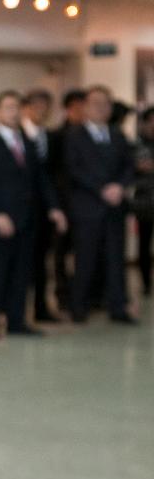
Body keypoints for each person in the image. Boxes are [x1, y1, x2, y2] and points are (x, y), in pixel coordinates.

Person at [0, 91, 67, 338]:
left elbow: (41, 179)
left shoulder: (26, 142)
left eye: (16, 107)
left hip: (28, 218)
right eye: (7, 107)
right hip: (2, 218)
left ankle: (17, 319)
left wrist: (54, 208)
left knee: (22, 271)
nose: (13, 112)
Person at [64, 85, 136, 324]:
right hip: (88, 207)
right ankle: (79, 306)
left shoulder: (117, 134)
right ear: (85, 106)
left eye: (105, 104)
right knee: (85, 259)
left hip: (115, 207)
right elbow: (74, 170)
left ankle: (118, 306)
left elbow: (129, 165)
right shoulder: (74, 135)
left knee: (116, 259)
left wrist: (119, 186)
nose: (101, 108)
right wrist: (101, 189)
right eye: (95, 103)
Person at [19, 89, 60, 322]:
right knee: (20, 264)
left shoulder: (49, 136)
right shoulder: (19, 136)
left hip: (44, 212)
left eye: (45, 107)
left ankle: (41, 308)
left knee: (42, 261)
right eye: (36, 106)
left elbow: (50, 176)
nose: (40, 111)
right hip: (21, 211)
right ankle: (15, 312)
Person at [49, 88, 87, 312]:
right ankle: (63, 293)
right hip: (64, 202)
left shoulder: (88, 135)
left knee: (84, 251)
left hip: (85, 203)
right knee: (61, 251)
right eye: (77, 107)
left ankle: (83, 292)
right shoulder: (57, 136)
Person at [131, 107, 154, 296]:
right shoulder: (136, 145)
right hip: (144, 203)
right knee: (144, 245)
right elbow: (130, 172)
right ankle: (146, 283)